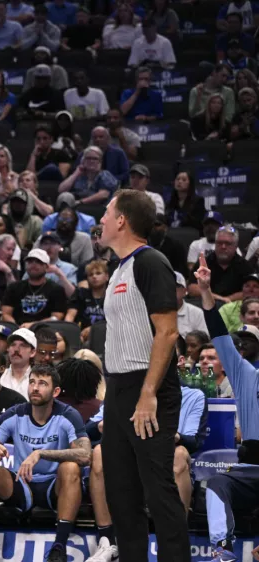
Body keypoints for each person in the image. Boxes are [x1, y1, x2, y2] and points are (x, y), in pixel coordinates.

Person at [98, 189, 190, 561]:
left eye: (106, 212)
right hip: (118, 388)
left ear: (122, 220)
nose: (101, 220)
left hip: (148, 386)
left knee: (158, 489)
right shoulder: (117, 268)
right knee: (121, 492)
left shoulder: (151, 262)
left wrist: (148, 393)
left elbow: (168, 332)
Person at [0, 364, 91, 562]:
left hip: (53, 487)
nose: (35, 388)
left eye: (42, 383)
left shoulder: (67, 414)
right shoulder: (16, 413)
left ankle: (59, 548)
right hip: (20, 484)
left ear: (56, 391)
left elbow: (85, 455)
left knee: (70, 467)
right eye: (32, 382)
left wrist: (42, 453)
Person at [85, 381, 207, 562]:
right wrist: (106, 425)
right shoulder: (123, 390)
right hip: (128, 461)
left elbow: (194, 441)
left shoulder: (193, 396)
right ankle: (108, 540)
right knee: (100, 452)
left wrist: (168, 435)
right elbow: (88, 429)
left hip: (164, 459)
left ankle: (174, 541)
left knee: (180, 455)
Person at [194, 254, 259, 562]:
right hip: (251, 467)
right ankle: (222, 550)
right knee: (218, 482)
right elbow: (219, 334)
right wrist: (206, 292)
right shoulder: (246, 375)